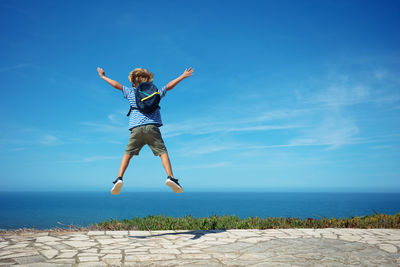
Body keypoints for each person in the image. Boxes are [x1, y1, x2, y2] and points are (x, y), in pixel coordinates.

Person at [97, 66, 194, 195]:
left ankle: (119, 178)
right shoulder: (155, 93)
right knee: (162, 153)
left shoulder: (131, 92)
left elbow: (117, 85)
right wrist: (182, 76)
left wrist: (103, 77)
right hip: (152, 128)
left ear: (133, 82)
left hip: (136, 129)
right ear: (149, 81)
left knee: (128, 154)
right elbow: (169, 86)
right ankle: (170, 177)